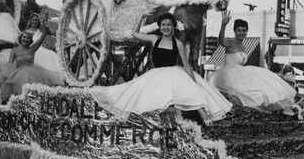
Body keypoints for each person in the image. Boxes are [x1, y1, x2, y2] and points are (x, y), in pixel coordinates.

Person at [90, 12, 232, 123]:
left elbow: (186, 65)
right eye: (163, 25)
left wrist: (194, 82)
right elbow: (134, 33)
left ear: (173, 27)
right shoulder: (154, 39)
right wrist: (141, 17)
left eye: (169, 25)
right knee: (139, 94)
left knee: (192, 91)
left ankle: (205, 117)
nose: (166, 27)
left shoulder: (178, 43)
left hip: (175, 72)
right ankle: (144, 119)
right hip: (156, 75)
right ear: (160, 26)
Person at [211, 11, 296, 114]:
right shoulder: (230, 43)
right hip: (229, 74)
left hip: (240, 73)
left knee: (264, 85)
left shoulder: (243, 46)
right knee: (248, 94)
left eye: (244, 30)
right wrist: (223, 25)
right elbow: (221, 41)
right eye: (239, 30)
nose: (241, 33)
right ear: (234, 31)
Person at [0, 27, 63, 101]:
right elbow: (10, 65)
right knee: (17, 93)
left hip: (31, 73)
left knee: (31, 92)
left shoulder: (32, 49)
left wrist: (45, 30)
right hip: (18, 73)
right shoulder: (14, 50)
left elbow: (41, 39)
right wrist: (10, 74)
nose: (25, 39)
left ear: (30, 40)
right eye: (24, 37)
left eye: (28, 38)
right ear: (21, 38)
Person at [23, 12, 64, 83]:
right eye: (33, 20)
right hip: (30, 52)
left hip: (41, 51)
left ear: (38, 21)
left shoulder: (41, 30)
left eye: (36, 20)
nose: (34, 22)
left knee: (50, 63)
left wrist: (46, 15)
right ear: (30, 20)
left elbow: (45, 24)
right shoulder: (26, 31)